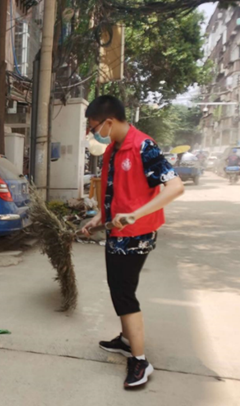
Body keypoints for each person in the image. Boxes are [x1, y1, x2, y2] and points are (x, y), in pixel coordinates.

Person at [82, 95, 184, 389]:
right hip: (116, 233)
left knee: (124, 293)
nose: (94, 133)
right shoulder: (113, 150)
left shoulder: (143, 146)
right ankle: (127, 340)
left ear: (109, 121)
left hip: (136, 234)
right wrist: (99, 217)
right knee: (118, 288)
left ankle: (140, 361)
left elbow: (175, 187)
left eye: (94, 128)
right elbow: (115, 192)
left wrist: (135, 215)